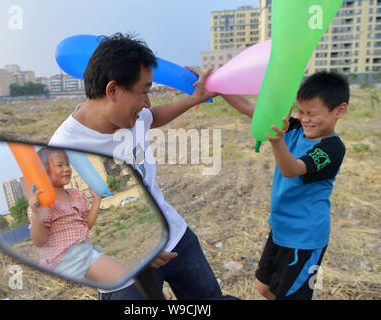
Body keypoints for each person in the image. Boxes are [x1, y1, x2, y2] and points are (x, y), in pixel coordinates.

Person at [49, 32, 223, 300]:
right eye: (144, 92)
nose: (147, 103)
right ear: (113, 90)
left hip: (176, 240)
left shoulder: (134, 116)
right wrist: (135, 248)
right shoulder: (63, 150)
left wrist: (193, 99)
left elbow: (152, 117)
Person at [223, 71, 349, 300]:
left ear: (339, 111)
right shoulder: (293, 128)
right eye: (301, 112)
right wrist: (217, 86)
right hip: (281, 229)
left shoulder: (332, 148)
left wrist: (277, 142)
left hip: (305, 238)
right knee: (265, 288)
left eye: (312, 114)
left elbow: (292, 169)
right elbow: (246, 107)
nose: (305, 119)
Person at [27, 147, 128, 284]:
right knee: (123, 278)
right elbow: (39, 241)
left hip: (85, 251)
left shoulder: (76, 194)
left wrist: (96, 201)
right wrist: (37, 214)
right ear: (43, 172)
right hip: (63, 260)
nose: (67, 169)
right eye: (60, 165)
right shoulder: (41, 204)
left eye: (68, 164)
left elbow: (86, 226)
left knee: (121, 278)